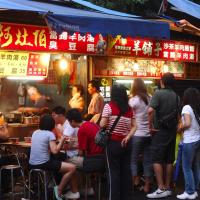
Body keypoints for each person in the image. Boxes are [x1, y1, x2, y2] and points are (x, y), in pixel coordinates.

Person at [100, 84, 137, 200]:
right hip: (126, 144)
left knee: (113, 173)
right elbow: (135, 126)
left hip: (113, 144)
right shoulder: (129, 109)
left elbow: (103, 124)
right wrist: (128, 137)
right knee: (126, 172)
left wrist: (100, 118)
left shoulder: (109, 106)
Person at [147, 73, 179, 198]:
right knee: (169, 159)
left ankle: (160, 188)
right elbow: (177, 115)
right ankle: (167, 187)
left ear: (162, 82)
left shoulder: (158, 93)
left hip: (160, 131)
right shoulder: (176, 96)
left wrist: (150, 127)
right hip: (171, 131)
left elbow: (150, 111)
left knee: (156, 158)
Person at [29, 115, 76, 200]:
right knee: (72, 168)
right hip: (43, 163)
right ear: (52, 125)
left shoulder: (35, 132)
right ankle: (59, 189)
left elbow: (44, 148)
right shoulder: (50, 134)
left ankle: (55, 186)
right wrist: (62, 140)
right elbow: (55, 151)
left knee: (58, 161)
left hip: (32, 164)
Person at [65, 108, 104, 199]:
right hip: (103, 158)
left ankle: (74, 191)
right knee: (77, 162)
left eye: (69, 122)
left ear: (73, 121)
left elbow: (81, 152)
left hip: (93, 161)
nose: (69, 124)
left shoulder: (82, 129)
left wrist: (71, 147)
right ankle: (86, 188)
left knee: (68, 163)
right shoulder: (91, 124)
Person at [129, 78, 152, 193]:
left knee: (133, 160)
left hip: (137, 134)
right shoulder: (150, 98)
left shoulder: (134, 100)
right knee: (147, 161)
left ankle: (134, 184)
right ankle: (147, 186)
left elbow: (129, 116)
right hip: (148, 134)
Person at [176, 88, 200, 200]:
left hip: (189, 140)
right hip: (197, 140)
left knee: (187, 167)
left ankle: (189, 192)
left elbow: (188, 123)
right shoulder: (197, 108)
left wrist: (180, 127)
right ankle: (194, 190)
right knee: (196, 167)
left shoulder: (186, 107)